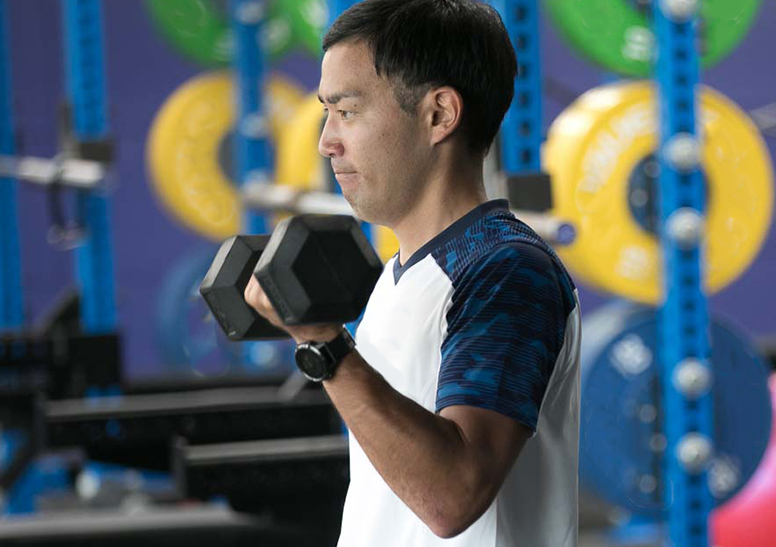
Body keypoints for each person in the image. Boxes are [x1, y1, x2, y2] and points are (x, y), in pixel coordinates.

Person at [242, 1, 580, 545]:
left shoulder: (507, 270)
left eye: (347, 111)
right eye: (326, 113)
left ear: (439, 114)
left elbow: (453, 497)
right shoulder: (402, 273)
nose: (327, 141)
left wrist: (325, 347)